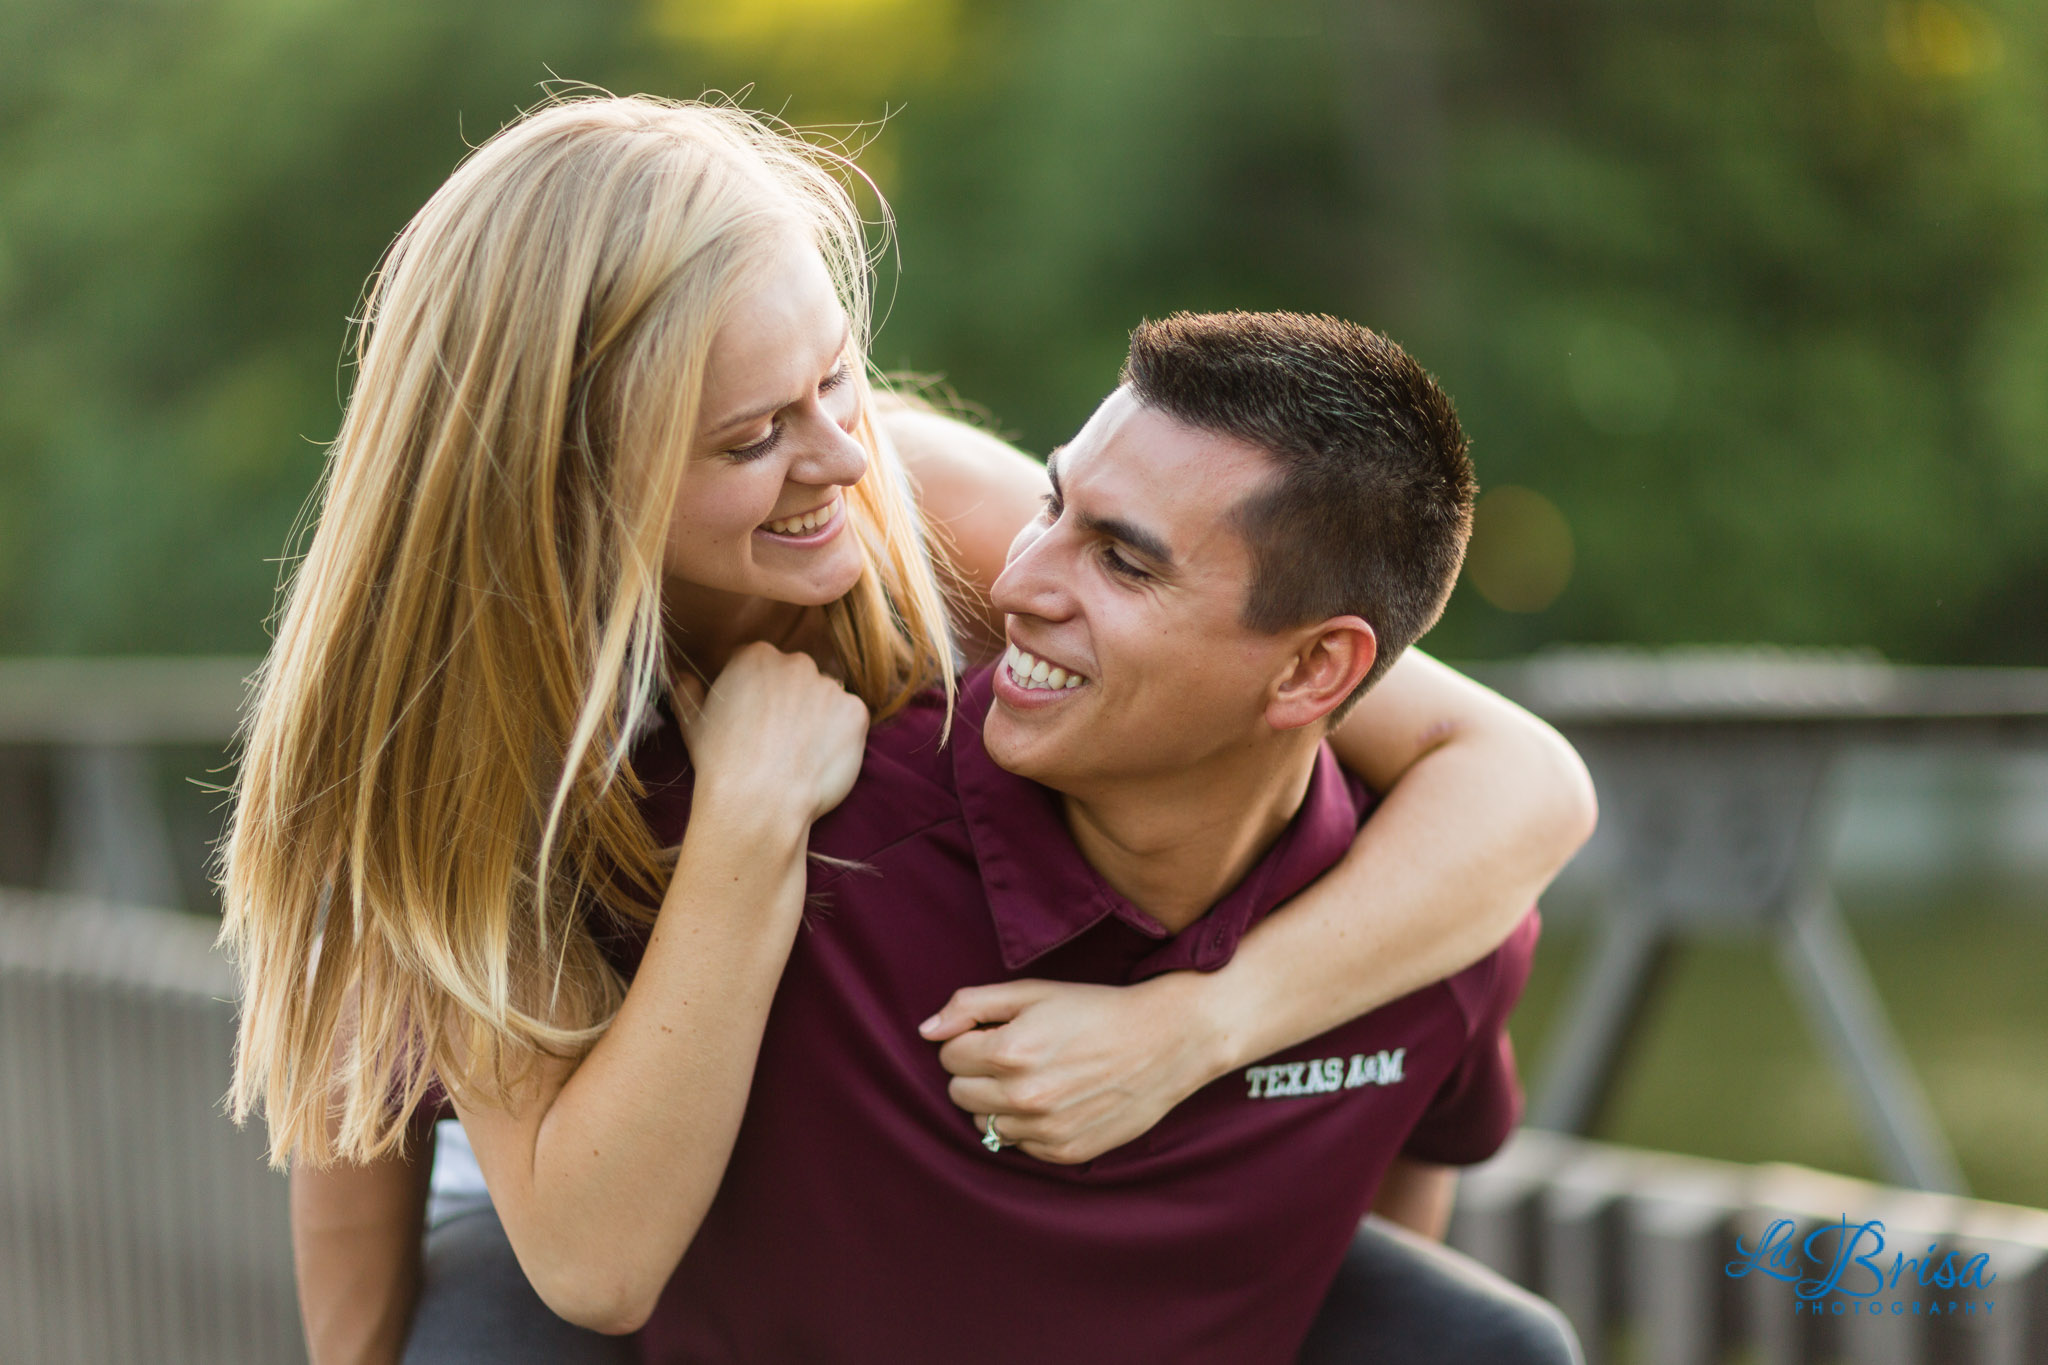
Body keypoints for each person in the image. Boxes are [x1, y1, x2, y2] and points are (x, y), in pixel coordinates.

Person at [216, 95, 1594, 1364]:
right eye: (754, 435)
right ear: (572, 475)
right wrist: (751, 814)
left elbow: (1522, 782)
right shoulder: (447, 717)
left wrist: (1195, 1028)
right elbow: (531, 1224)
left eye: (838, 379)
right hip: (555, 1164)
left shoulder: (935, 508)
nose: (841, 456)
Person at [530, 309, 1577, 1362]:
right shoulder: (759, 832)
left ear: (1313, 672)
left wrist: (1196, 1031)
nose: (1014, 582)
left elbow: (1398, 1173)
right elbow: (419, 1109)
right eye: (1050, 504)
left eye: (1122, 563)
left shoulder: (1429, 926)